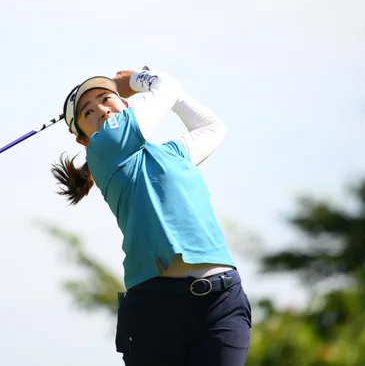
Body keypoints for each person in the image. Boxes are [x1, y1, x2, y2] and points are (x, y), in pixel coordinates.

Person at [51, 67, 252, 366]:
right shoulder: (103, 146)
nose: (102, 110)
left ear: (126, 105)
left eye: (106, 99)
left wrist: (169, 94)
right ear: (83, 140)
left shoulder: (173, 154)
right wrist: (135, 80)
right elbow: (167, 85)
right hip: (155, 306)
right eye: (88, 112)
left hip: (221, 299)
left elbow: (212, 127)